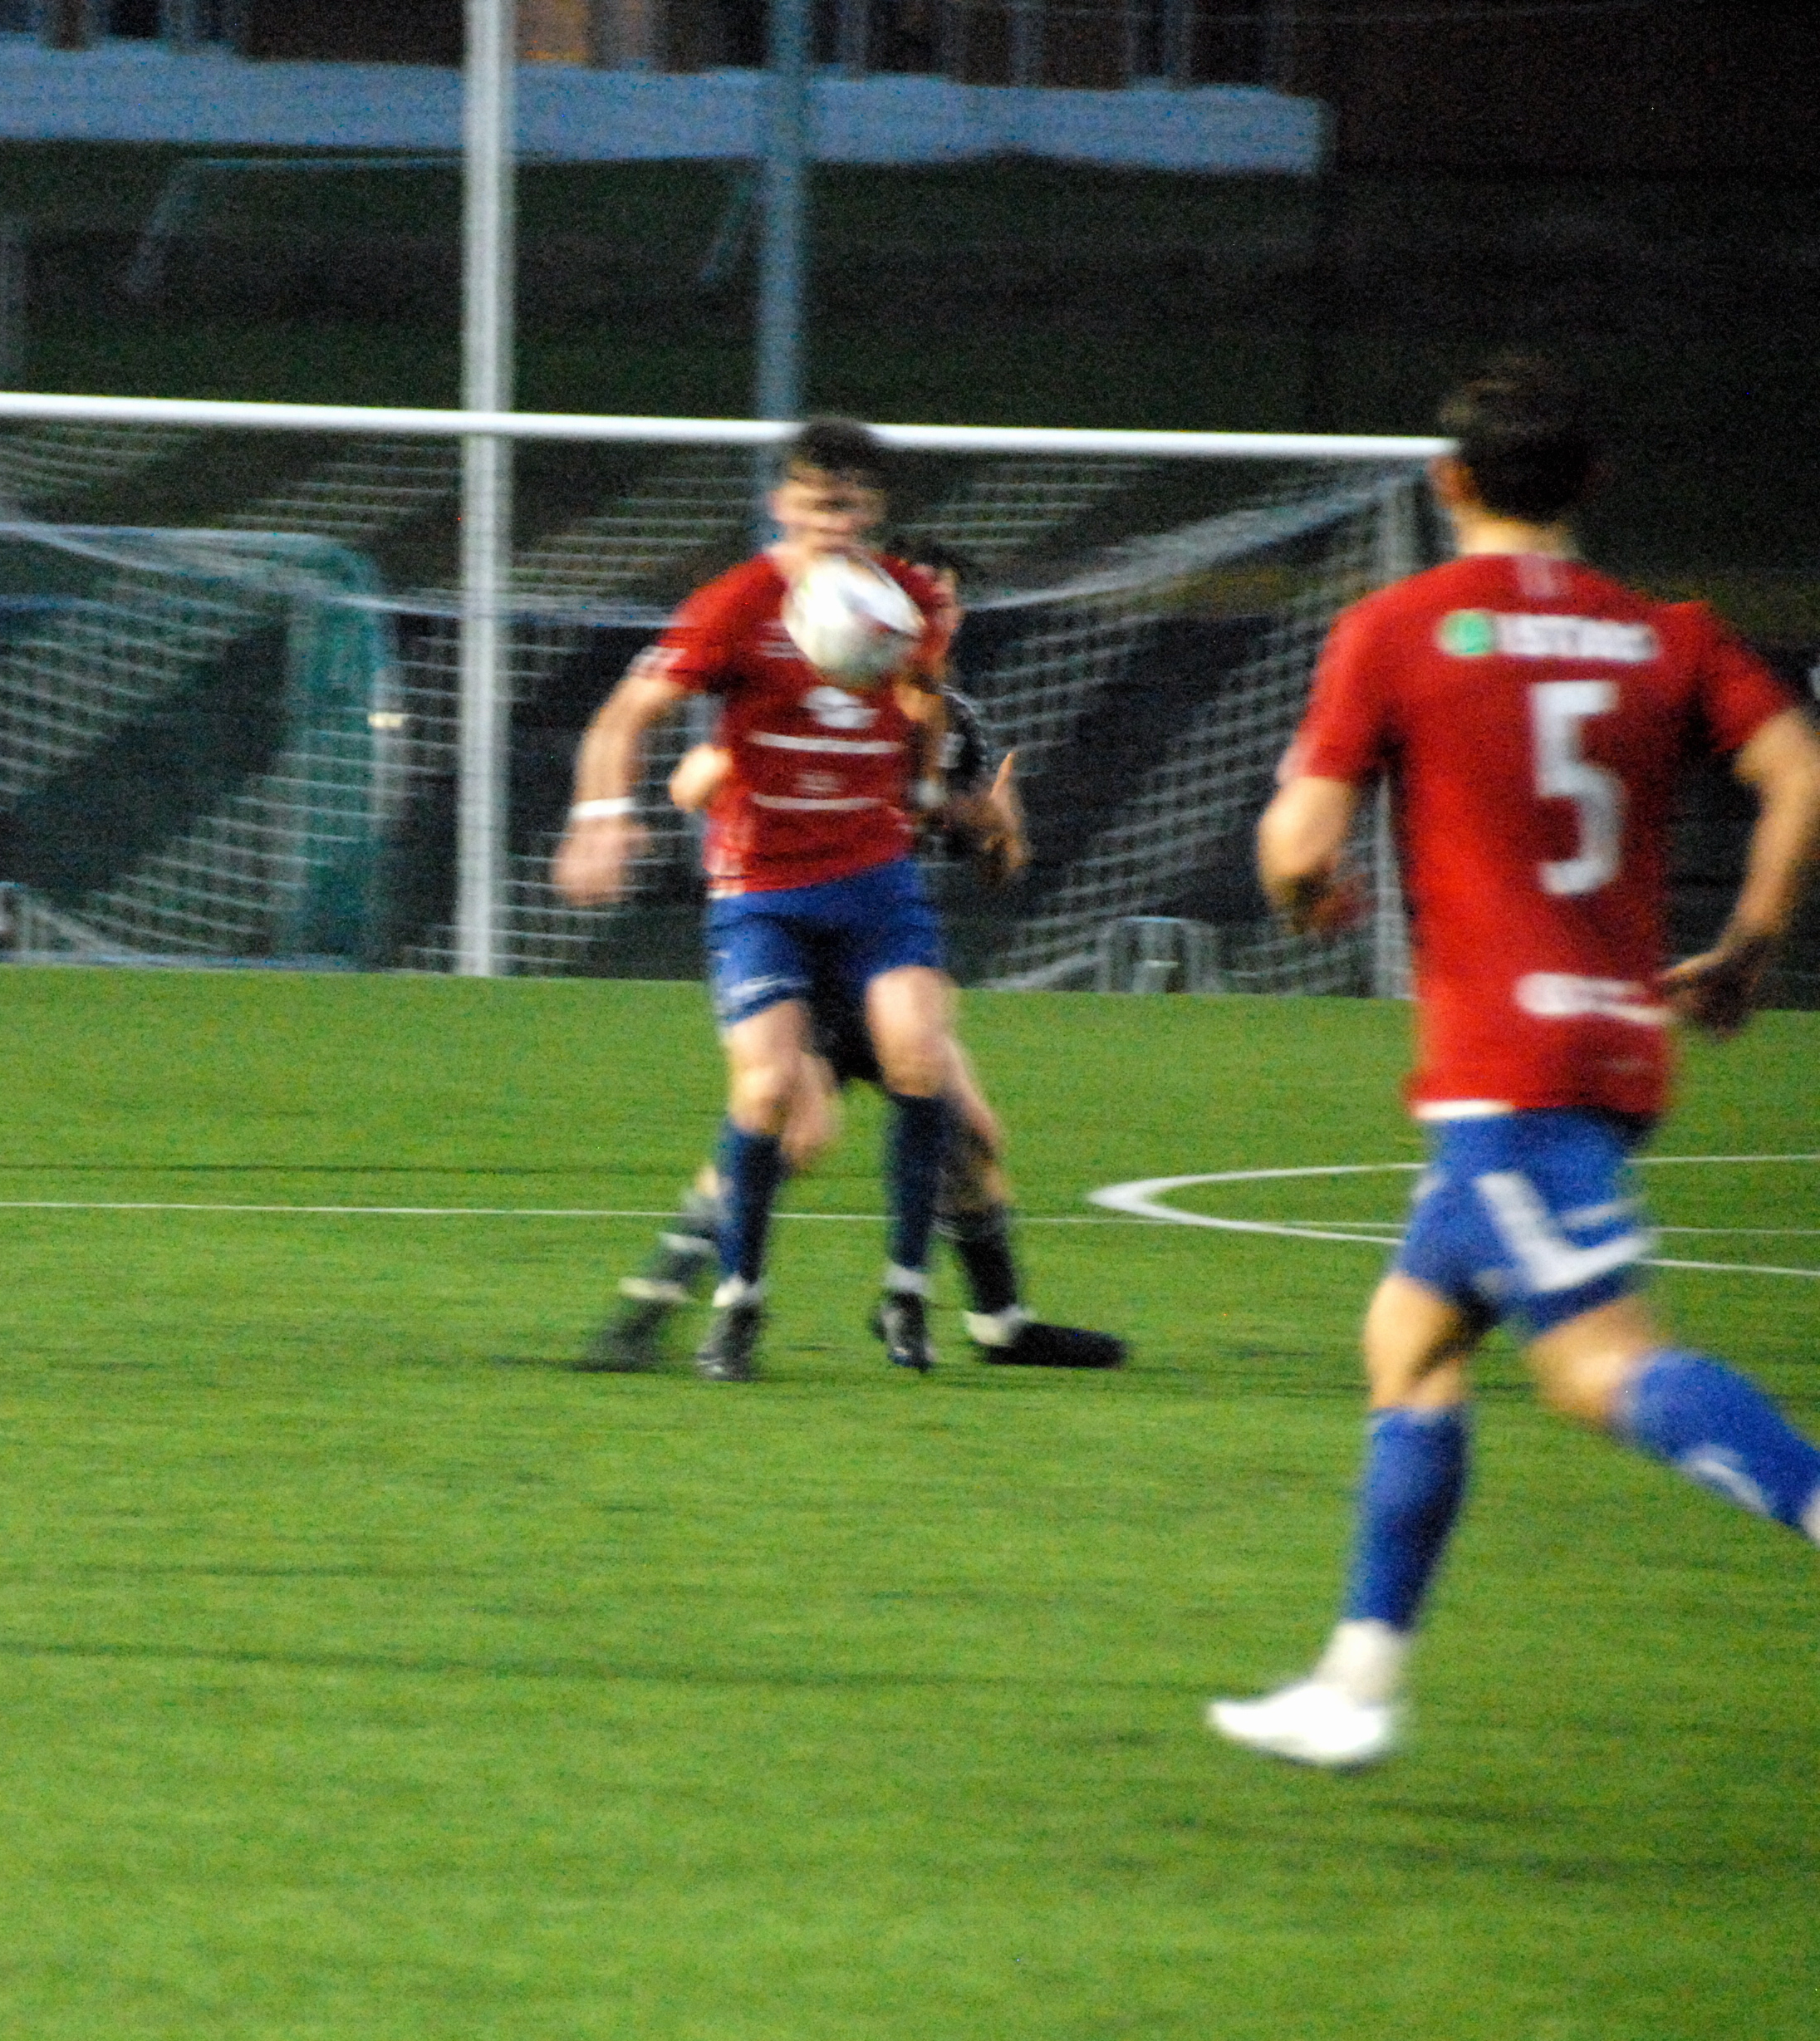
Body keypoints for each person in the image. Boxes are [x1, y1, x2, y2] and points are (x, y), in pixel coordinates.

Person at [1210, 357, 1820, 1770]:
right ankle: (1357, 1685)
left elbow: (1298, 842)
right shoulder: (1667, 634)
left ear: (1449, 482)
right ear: (1592, 482)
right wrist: (1749, 941)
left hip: (1504, 1066)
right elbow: (1798, 766)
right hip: (1607, 1046)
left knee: (1597, 1365)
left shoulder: (1397, 627)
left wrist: (1304, 895)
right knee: (1409, 1339)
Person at [577, 542, 1125, 1376]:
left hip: (876, 948)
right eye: (921, 598)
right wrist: (738, 771)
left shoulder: (948, 719)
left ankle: (1002, 1325)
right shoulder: (808, 688)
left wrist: (994, 833)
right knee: (794, 1130)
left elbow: (974, 852)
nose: (930, 616)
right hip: (798, 933)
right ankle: (651, 1309)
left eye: (944, 604)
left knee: (971, 1134)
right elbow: (691, 785)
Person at [556, 419, 1010, 1379]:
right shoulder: (736, 605)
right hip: (767, 895)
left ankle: (944, 1307)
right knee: (776, 1104)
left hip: (874, 892)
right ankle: (712, 1305)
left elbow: (923, 721)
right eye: (813, 503)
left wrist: (944, 802)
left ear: (872, 511)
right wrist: (602, 815)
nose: (831, 521)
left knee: (947, 1097)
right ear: (781, 505)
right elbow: (630, 719)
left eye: (848, 505)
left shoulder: (907, 606)